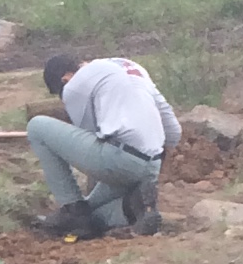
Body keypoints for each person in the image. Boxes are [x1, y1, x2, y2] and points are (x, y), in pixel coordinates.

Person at [26, 52, 182, 239]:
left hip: (120, 160)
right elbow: (173, 129)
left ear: (65, 79)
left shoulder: (74, 86)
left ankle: (71, 209)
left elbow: (89, 137)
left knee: (36, 126)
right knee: (90, 208)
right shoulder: (131, 67)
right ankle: (133, 208)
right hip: (151, 165)